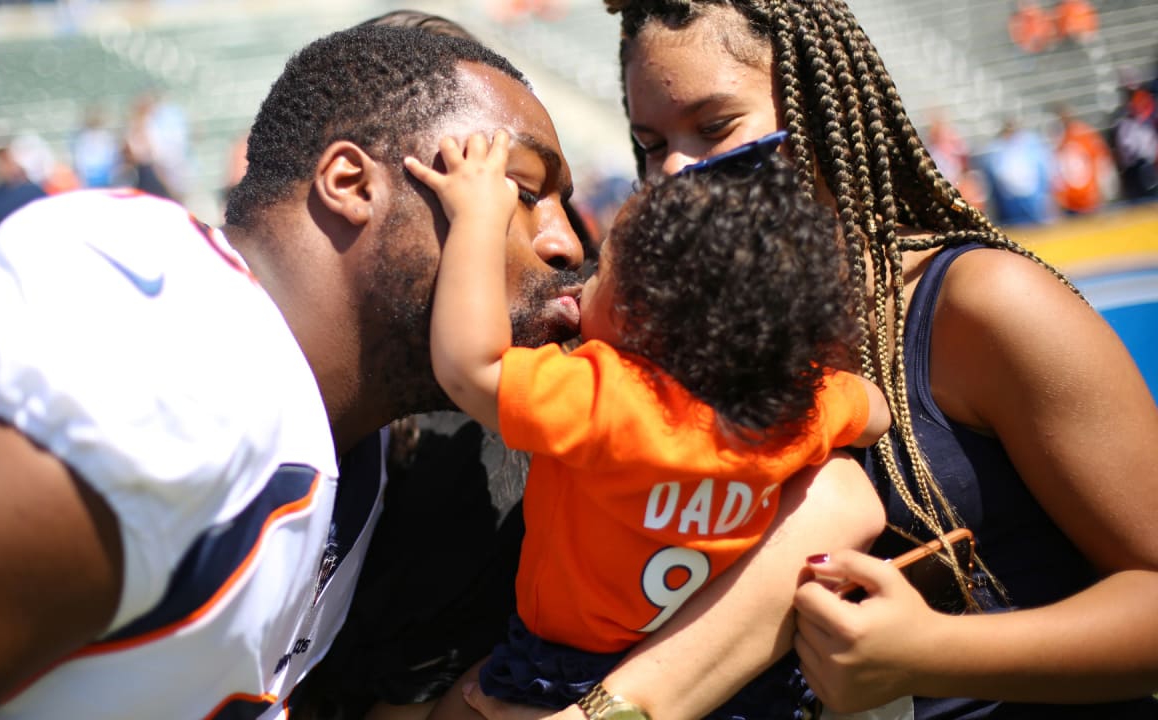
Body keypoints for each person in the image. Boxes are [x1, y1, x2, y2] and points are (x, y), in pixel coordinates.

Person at [0, 25, 598, 719]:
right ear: (351, 182)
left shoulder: (354, 447)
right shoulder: (168, 352)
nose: (567, 242)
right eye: (522, 189)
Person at [491, 1, 1158, 719]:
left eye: (715, 127)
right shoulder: (662, 343)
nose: (677, 170)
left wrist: (928, 649)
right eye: (651, 144)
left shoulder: (981, 304)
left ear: (817, 106)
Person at [406, 130, 888, 717]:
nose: (583, 280)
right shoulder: (794, 409)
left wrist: (477, 215)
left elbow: (469, 368)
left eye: (603, 269)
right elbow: (875, 412)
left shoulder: (609, 398)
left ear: (645, 318)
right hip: (740, 687)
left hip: (561, 673)